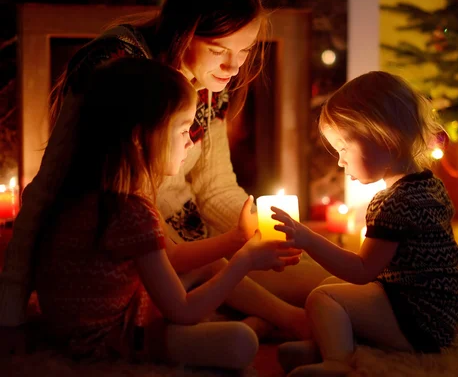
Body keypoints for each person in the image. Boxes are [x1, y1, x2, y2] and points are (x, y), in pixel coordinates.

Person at [0, 0, 328, 355]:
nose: (234, 66)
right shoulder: (117, 69)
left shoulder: (212, 80)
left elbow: (215, 188)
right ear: (183, 31)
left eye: (246, 50)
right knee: (274, 297)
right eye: (219, 48)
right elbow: (46, 188)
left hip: (182, 243)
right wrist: (10, 311)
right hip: (126, 256)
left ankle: (272, 317)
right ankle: (264, 320)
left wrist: (255, 230)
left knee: (318, 283)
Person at [32, 57, 308, 369]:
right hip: (110, 339)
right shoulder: (129, 212)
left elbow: (171, 257)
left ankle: (287, 319)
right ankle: (257, 325)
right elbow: (182, 309)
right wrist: (245, 261)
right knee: (241, 343)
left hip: (97, 316)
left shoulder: (97, 192)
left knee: (210, 263)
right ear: (139, 138)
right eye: (182, 130)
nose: (191, 141)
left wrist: (237, 240)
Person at [271, 71, 458, 376]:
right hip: (439, 309)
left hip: (419, 319)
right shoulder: (428, 185)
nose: (340, 161)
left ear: (383, 139)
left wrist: (307, 238)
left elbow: (361, 271)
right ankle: (327, 343)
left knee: (323, 296)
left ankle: (338, 363)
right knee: (330, 287)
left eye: (344, 148)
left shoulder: (395, 202)